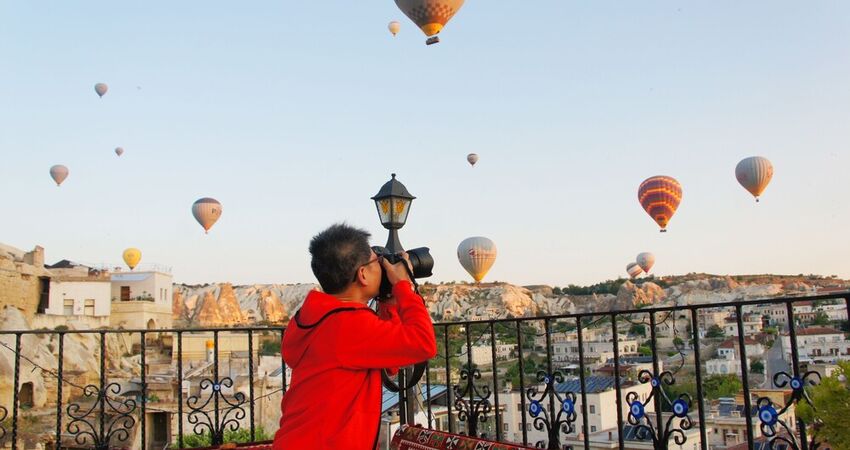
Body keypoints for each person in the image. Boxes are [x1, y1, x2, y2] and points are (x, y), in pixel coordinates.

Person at [272, 223, 437, 449]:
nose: (382, 265)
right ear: (363, 274)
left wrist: (389, 305)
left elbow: (392, 361)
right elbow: (423, 344)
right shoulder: (349, 324)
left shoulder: (311, 315)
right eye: (375, 260)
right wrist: (403, 286)